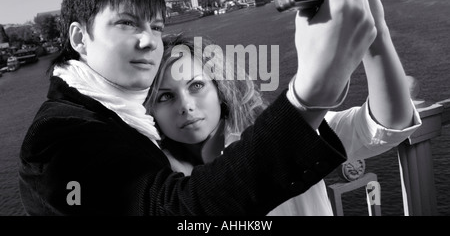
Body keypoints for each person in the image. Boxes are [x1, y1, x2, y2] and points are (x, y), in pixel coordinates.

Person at [19, 0, 385, 215]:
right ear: (80, 38)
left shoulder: (112, 114)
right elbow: (179, 210)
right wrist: (309, 96)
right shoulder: (60, 138)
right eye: (127, 23)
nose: (149, 40)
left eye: (157, 26)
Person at [145, 29, 421, 216]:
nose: (186, 106)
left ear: (220, 88)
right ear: (149, 110)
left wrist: (375, 36)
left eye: (196, 86)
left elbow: (384, 126)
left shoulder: (283, 134)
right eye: (165, 96)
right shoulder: (156, 183)